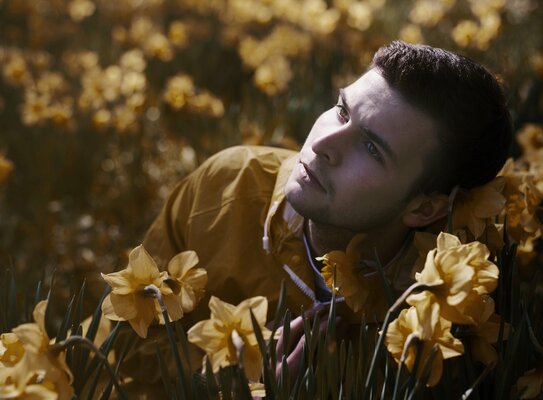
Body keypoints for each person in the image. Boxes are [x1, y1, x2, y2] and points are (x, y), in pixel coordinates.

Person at [142, 40, 511, 336]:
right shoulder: (224, 186)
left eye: (370, 148)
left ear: (424, 209)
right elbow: (126, 364)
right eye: (342, 111)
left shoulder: (443, 301)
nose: (323, 144)